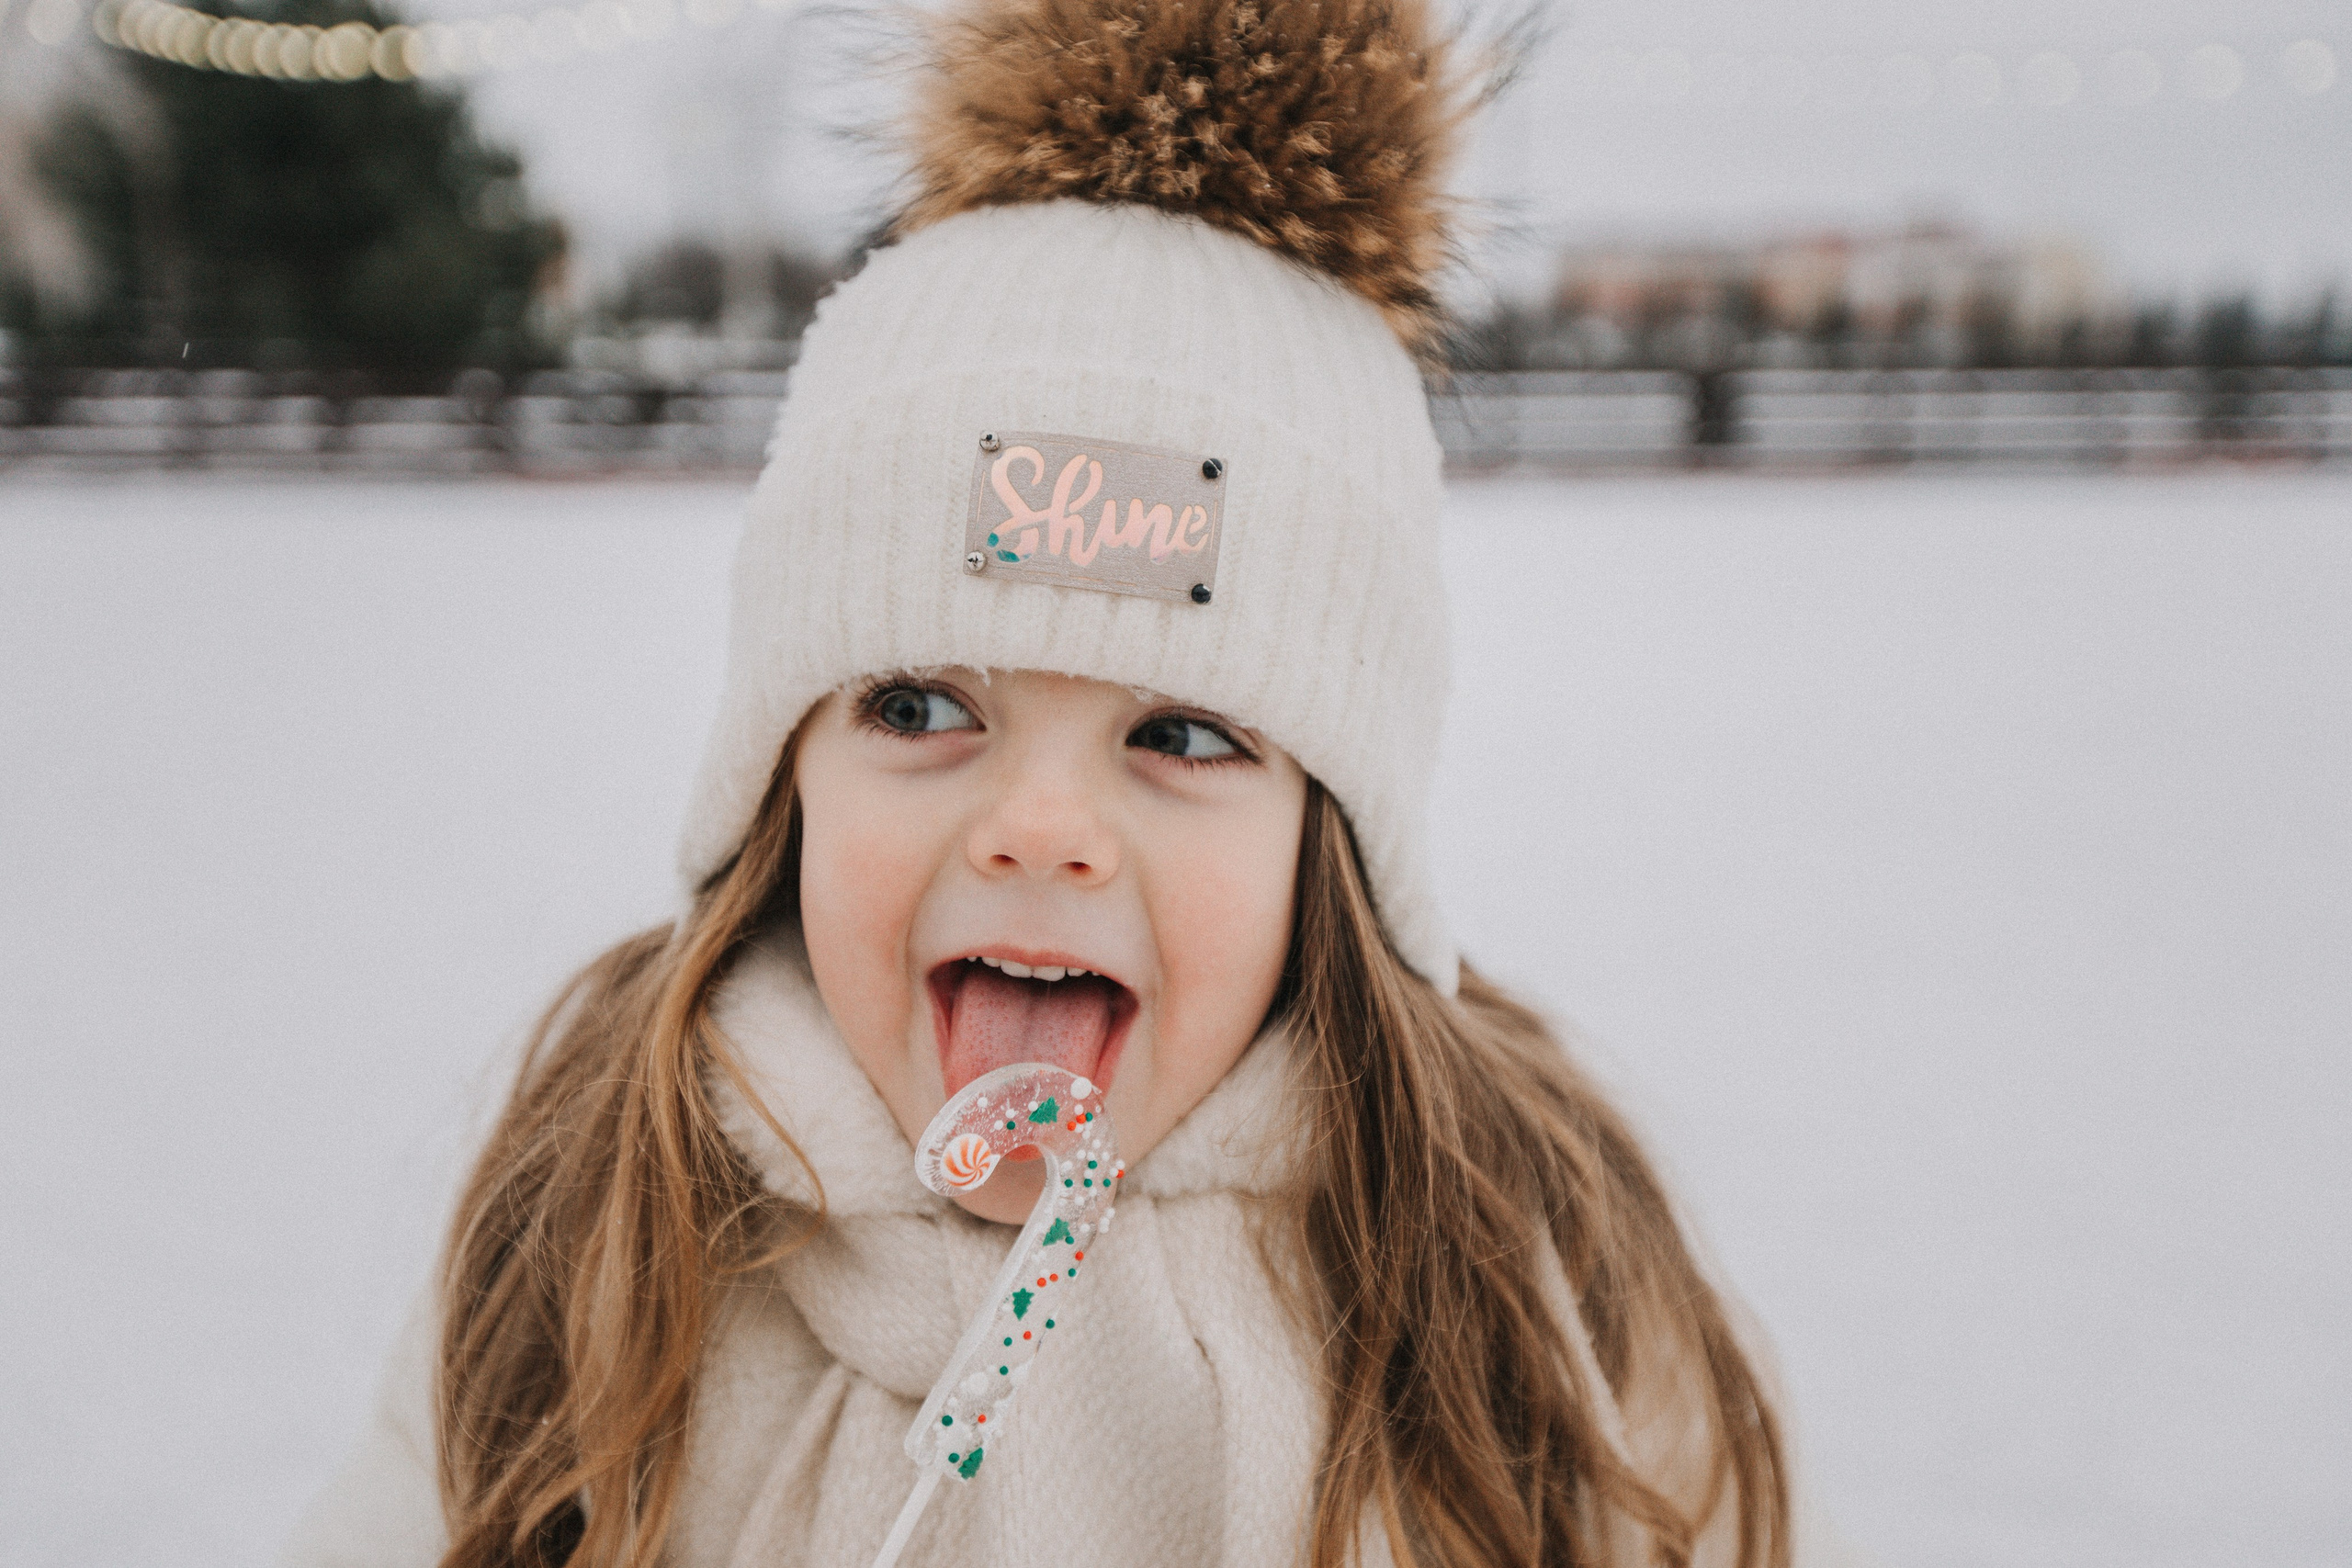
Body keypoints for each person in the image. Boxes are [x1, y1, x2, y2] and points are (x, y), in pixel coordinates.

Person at [284, 0, 1847, 1562]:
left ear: (1335, 837)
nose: (1041, 829)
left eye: (1179, 736)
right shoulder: (612, 1217)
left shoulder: (1522, 1269)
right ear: (782, 778)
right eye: (918, 702)